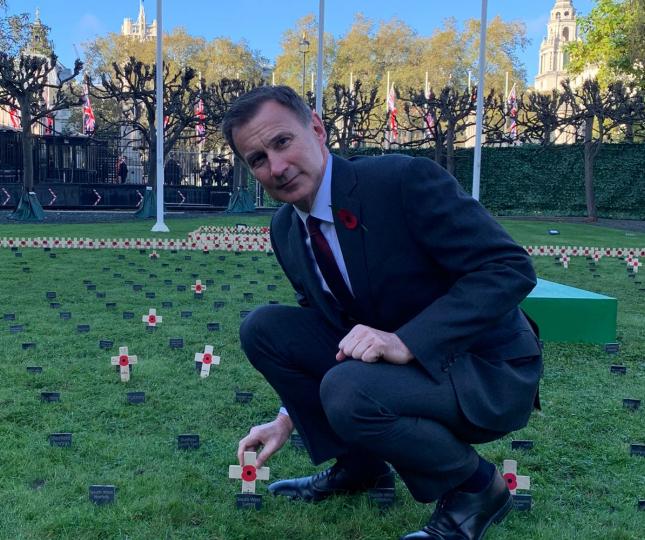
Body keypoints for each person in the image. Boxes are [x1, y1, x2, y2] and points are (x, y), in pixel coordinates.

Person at [222, 85, 542, 540]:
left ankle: (476, 488)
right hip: (393, 371)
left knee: (347, 388)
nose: (275, 168)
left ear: (316, 129)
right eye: (257, 159)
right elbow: (330, 324)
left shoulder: (401, 181)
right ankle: (361, 468)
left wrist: (404, 341)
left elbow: (509, 268)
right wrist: (287, 416)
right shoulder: (285, 228)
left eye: (282, 142)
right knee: (264, 329)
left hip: (486, 367)